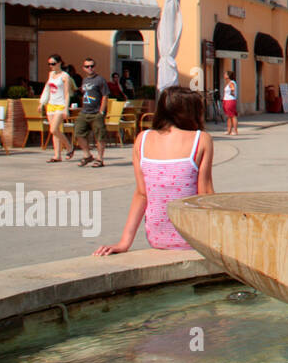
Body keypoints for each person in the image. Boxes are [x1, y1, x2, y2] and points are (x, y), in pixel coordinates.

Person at [93, 87, 214, 255]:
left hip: (157, 237)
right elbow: (205, 194)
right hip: (193, 236)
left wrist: (124, 243)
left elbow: (142, 194)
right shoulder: (201, 139)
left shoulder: (142, 139)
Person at [74, 58, 111, 168]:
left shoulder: (100, 80)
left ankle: (100, 159)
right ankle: (87, 155)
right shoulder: (84, 80)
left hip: (96, 113)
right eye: (87, 66)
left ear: (95, 67)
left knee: (99, 136)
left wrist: (101, 111)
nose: (89, 68)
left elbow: (105, 95)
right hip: (85, 111)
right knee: (78, 133)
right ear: (83, 68)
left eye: (91, 66)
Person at [40, 54, 75, 163]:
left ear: (59, 63)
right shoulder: (51, 74)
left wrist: (66, 108)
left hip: (60, 105)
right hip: (51, 104)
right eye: (49, 64)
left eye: (53, 64)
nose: (51, 66)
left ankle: (69, 147)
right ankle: (57, 155)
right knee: (55, 131)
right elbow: (47, 89)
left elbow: (67, 93)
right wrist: (41, 103)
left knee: (53, 129)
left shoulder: (65, 76)